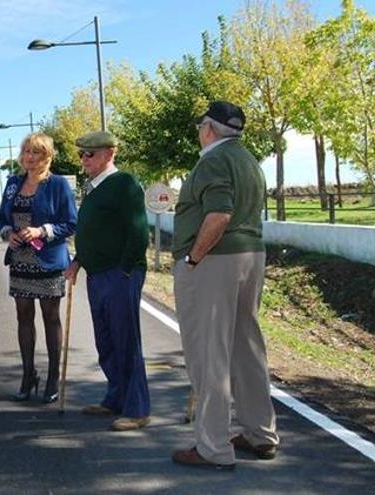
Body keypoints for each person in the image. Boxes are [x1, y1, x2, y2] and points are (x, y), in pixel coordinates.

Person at [171, 101, 278, 470]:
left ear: (209, 129)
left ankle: (213, 447)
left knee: (209, 353)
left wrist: (193, 258)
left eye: (201, 125)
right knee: (246, 347)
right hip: (251, 255)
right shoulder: (248, 160)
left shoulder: (213, 160)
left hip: (214, 261)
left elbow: (219, 214)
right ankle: (259, 433)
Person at [65, 130, 151, 431]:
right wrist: (78, 262)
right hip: (97, 274)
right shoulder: (94, 188)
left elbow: (139, 230)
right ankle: (115, 397)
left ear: (109, 154)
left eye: (90, 154)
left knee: (126, 340)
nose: (84, 159)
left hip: (119, 274)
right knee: (106, 340)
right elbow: (94, 232)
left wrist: (126, 269)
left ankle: (137, 408)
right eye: (82, 154)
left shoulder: (123, 183)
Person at [0, 132, 76, 403]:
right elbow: (1, 217)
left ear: (47, 156)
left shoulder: (58, 185)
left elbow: (71, 223)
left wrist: (41, 230)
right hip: (20, 260)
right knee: (23, 316)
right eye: (27, 151)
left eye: (36, 152)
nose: (30, 157)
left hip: (49, 261)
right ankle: (28, 375)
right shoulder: (13, 183)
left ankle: (53, 376)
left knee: (50, 317)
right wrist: (9, 232)